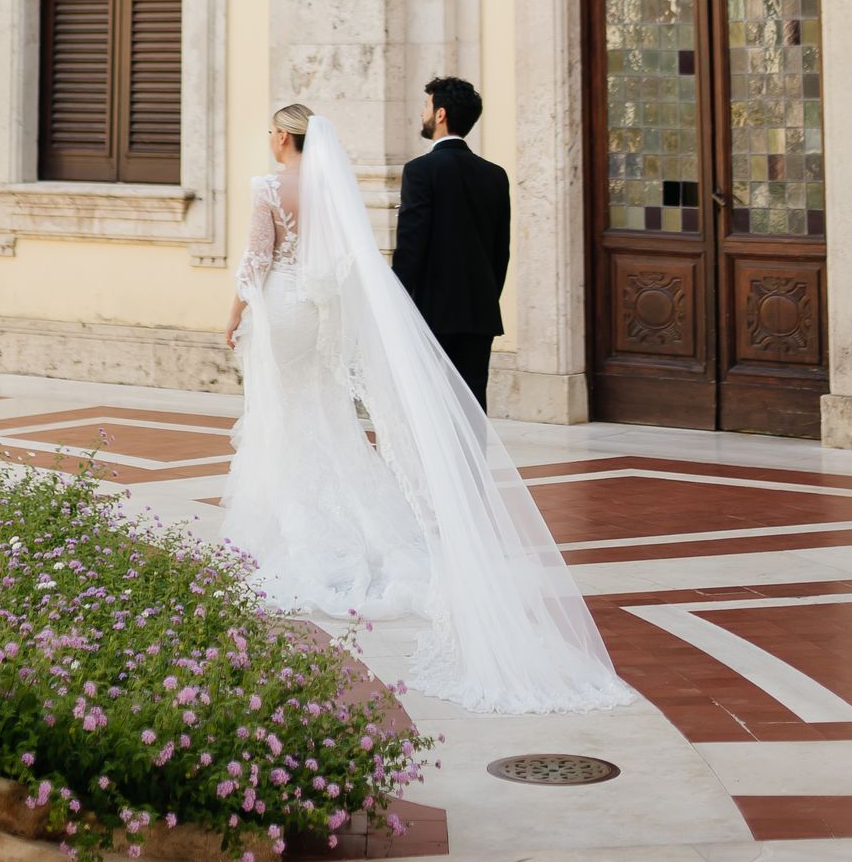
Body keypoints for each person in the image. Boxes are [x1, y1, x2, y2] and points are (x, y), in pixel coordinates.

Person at [220, 102, 627, 714]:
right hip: (327, 313)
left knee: (286, 411)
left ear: (281, 134)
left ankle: (290, 520)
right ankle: (411, 510)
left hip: (283, 308)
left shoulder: (270, 187)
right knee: (329, 411)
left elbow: (256, 260)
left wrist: (231, 317)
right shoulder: (337, 186)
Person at [390, 76, 507, 415]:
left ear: (440, 114)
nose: (422, 113)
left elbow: (411, 246)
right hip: (479, 313)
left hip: (430, 312)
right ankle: (471, 469)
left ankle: (435, 470)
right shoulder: (495, 175)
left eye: (426, 106)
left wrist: (398, 301)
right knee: (471, 405)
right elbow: (501, 252)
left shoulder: (420, 171)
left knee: (428, 406)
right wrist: (485, 296)